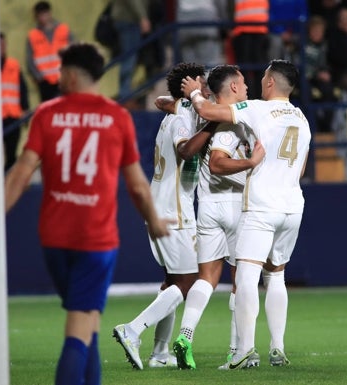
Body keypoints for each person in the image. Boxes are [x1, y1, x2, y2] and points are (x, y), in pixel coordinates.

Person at [0, 42, 171, 385]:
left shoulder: (47, 113)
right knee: (79, 325)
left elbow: (19, 175)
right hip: (95, 240)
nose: (58, 77)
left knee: (88, 322)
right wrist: (155, 220)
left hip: (54, 239)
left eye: (60, 72)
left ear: (71, 75)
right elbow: (137, 185)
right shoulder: (116, 117)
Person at [181, 59, 311, 369]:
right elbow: (302, 167)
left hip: (262, 205)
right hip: (293, 205)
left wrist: (196, 94)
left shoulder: (259, 109)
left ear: (269, 83)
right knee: (276, 275)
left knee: (248, 275)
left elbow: (209, 112)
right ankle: (277, 348)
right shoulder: (302, 118)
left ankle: (243, 351)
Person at [112, 62, 213, 370]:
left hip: (165, 205)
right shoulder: (182, 117)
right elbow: (185, 150)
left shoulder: (179, 111)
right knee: (190, 280)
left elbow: (163, 102)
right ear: (190, 83)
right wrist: (211, 127)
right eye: (201, 81)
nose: (206, 86)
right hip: (175, 210)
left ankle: (159, 353)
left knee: (172, 280)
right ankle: (133, 330)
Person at [170, 64, 265, 370]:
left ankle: (185, 335)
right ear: (234, 88)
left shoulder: (203, 113)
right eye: (244, 84)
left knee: (207, 278)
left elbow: (170, 102)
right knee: (241, 281)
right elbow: (218, 163)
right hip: (236, 205)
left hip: (207, 204)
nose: (248, 89)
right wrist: (251, 162)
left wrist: (183, 98)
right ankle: (237, 351)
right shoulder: (233, 120)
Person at [26, 1, 73, 102]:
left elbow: (74, 52)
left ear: (49, 13)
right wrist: (39, 77)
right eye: (40, 15)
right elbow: (30, 60)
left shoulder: (63, 30)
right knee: (49, 112)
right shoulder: (33, 35)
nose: (43, 17)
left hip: (64, 78)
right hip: (45, 82)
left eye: (44, 14)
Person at [0, 32, 29, 172]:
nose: (1, 47)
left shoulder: (13, 65)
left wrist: (25, 108)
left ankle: (9, 180)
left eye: (3, 44)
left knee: (12, 153)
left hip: (12, 114)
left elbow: (22, 88)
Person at [111, 0, 151, 100]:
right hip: (129, 20)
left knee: (130, 58)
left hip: (126, 19)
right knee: (129, 58)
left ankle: (125, 93)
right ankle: (125, 95)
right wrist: (142, 17)